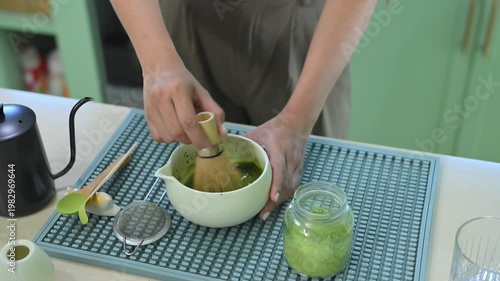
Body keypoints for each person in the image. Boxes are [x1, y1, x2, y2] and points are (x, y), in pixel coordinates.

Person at [110, 0, 375, 221]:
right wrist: (158, 62)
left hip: (299, 32)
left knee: (297, 181)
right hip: (186, 21)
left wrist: (297, 120)